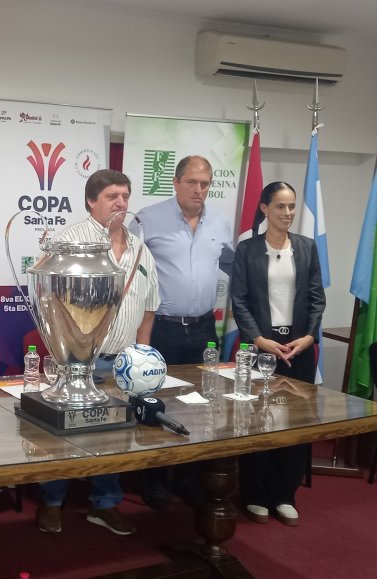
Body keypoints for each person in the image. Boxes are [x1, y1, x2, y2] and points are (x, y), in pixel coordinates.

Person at [37, 169, 160, 536]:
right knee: (62, 434)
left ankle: (105, 503)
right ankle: (52, 502)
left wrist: (141, 356)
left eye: (125, 196)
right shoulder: (69, 239)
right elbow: (48, 300)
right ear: (92, 201)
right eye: (112, 196)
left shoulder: (140, 248)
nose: (120, 203)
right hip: (76, 361)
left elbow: (149, 306)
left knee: (114, 436)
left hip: (121, 363)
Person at [128, 155, 234, 508]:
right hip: (162, 328)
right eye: (192, 182)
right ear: (176, 183)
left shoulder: (220, 222)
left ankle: (187, 480)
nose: (199, 190)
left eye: (205, 184)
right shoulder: (148, 219)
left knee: (200, 406)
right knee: (158, 403)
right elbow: (128, 269)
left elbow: (234, 266)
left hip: (204, 328)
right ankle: (155, 482)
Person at [230, 181, 325, 527]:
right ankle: (255, 494)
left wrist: (309, 337)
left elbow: (317, 298)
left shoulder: (307, 248)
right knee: (259, 422)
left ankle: (285, 494)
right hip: (262, 349)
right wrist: (257, 339)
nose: (287, 213)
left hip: (298, 349)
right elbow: (238, 299)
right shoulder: (248, 250)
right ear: (264, 208)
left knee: (294, 424)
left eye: (292, 207)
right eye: (280, 206)